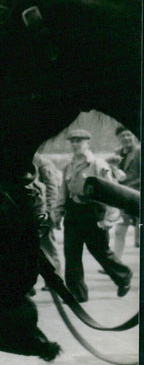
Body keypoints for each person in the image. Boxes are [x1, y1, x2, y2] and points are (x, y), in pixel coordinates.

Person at [51, 129, 132, 303]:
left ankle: (123, 276)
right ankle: (77, 293)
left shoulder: (98, 165)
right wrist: (57, 213)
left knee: (99, 250)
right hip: (73, 212)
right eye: (73, 141)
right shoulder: (69, 165)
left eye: (79, 141)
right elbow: (63, 192)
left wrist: (109, 219)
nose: (75, 144)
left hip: (93, 211)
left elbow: (112, 192)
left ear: (88, 143)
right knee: (71, 253)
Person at [33, 153, 62, 290]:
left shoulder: (42, 162)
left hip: (41, 210)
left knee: (47, 246)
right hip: (28, 210)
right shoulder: (19, 159)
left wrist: (49, 210)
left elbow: (52, 187)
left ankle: (56, 279)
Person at [111, 125, 141, 257]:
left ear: (133, 136)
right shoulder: (117, 153)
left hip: (138, 195)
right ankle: (117, 264)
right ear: (118, 138)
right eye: (122, 136)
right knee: (119, 230)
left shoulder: (139, 151)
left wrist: (128, 185)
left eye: (128, 134)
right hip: (123, 197)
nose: (126, 138)